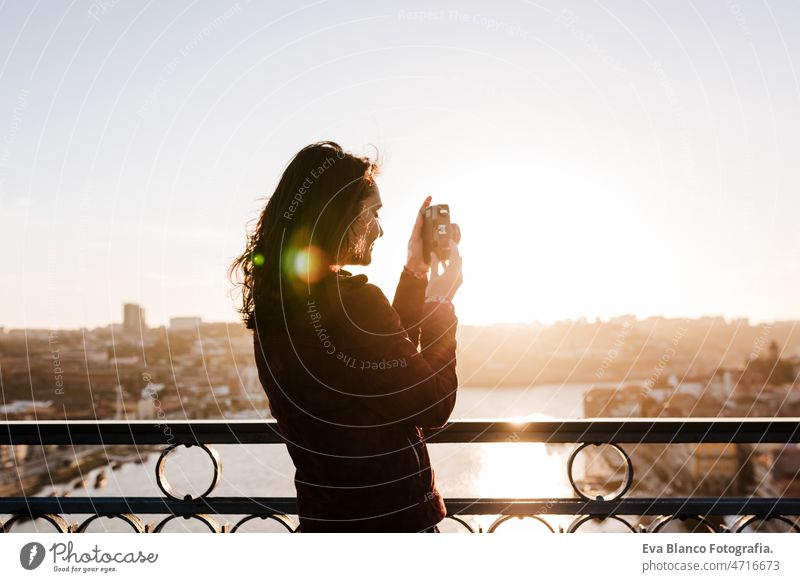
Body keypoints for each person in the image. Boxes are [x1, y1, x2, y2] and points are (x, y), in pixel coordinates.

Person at [229, 141, 463, 532]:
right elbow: (432, 404)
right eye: (372, 214)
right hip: (392, 525)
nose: (380, 229)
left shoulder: (279, 307)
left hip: (327, 520)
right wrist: (440, 303)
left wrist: (415, 273)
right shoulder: (354, 302)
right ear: (337, 216)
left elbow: (383, 367)